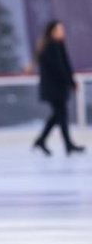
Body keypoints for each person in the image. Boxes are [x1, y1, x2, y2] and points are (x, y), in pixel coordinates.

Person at [32, 19, 85, 156]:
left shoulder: (56, 45)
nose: (63, 32)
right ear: (52, 31)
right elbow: (59, 68)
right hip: (53, 88)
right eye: (60, 29)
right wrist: (70, 82)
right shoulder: (51, 46)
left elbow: (64, 66)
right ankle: (65, 144)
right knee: (60, 115)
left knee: (58, 115)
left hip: (57, 87)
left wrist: (70, 82)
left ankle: (42, 140)